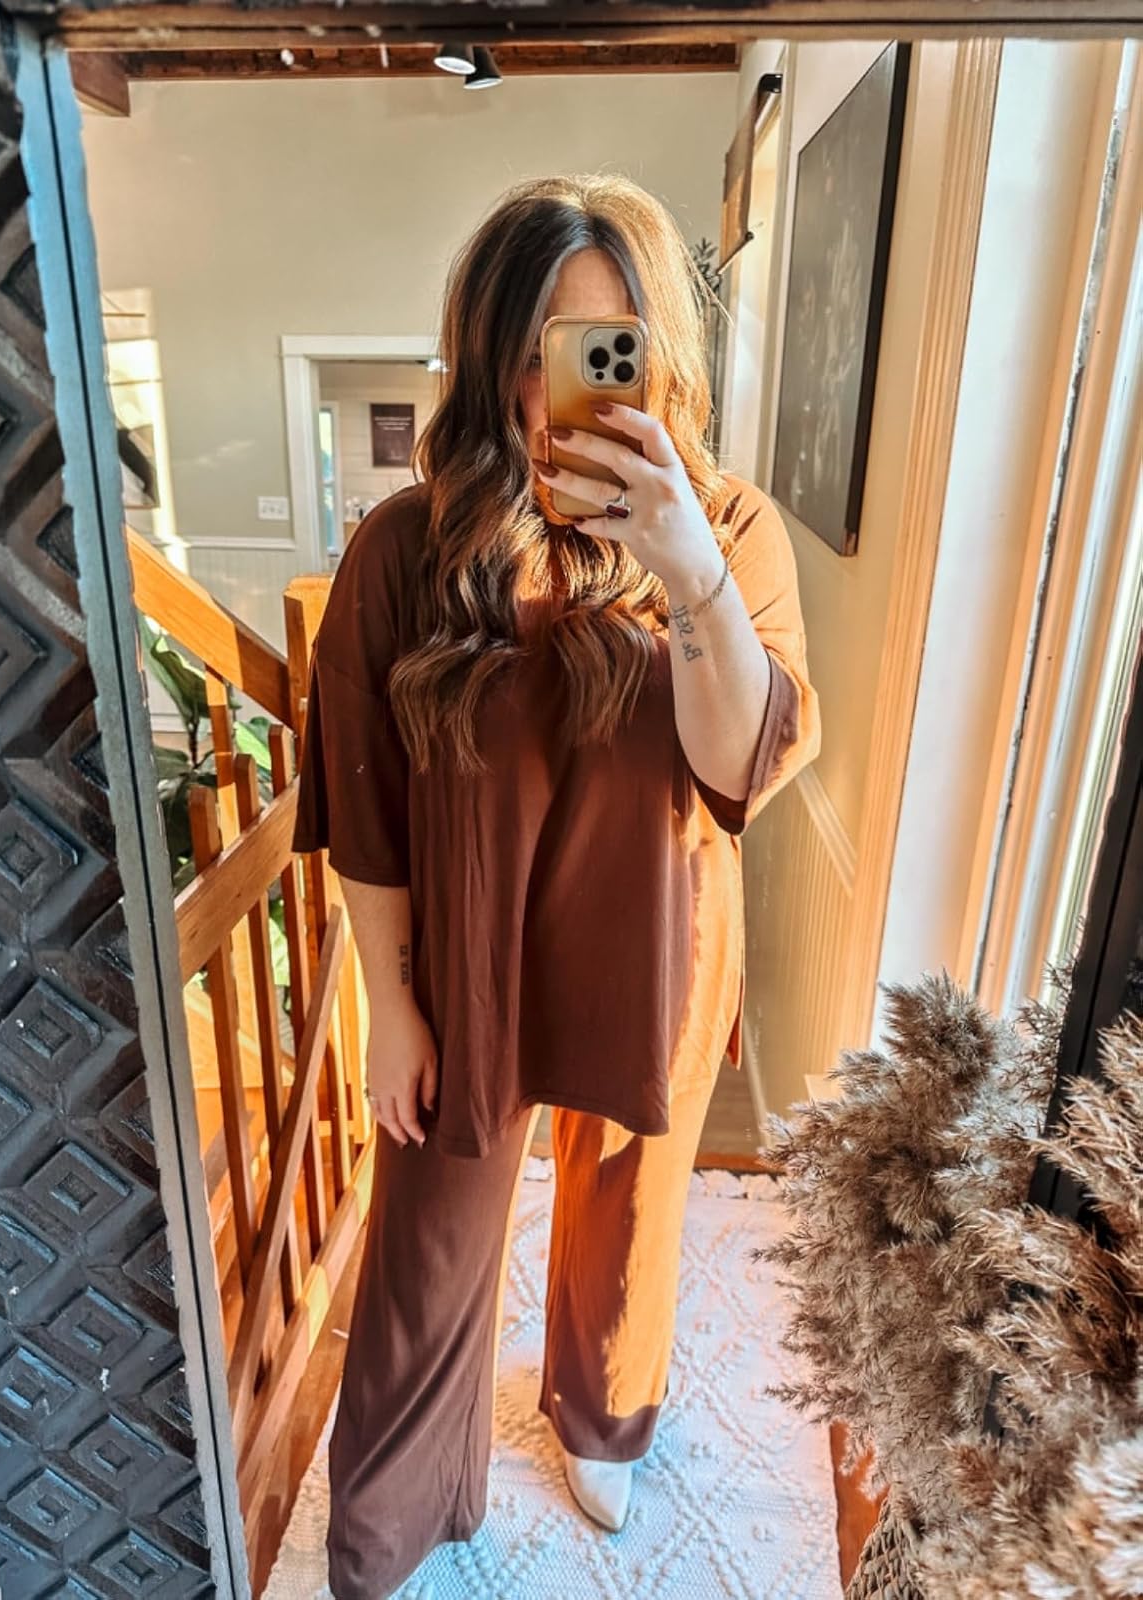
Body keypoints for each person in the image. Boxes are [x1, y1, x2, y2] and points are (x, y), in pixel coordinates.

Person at [292, 172, 822, 1600]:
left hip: (654, 944)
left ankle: (603, 1417)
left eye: (598, 351)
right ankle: (398, 1510)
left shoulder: (730, 531)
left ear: (655, 357)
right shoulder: (406, 548)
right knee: (429, 1239)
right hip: (465, 955)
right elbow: (366, 810)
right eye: (532, 352)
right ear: (485, 356)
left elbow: (741, 764)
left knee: (632, 1208)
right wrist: (390, 1006)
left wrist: (688, 572)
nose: (553, 395)